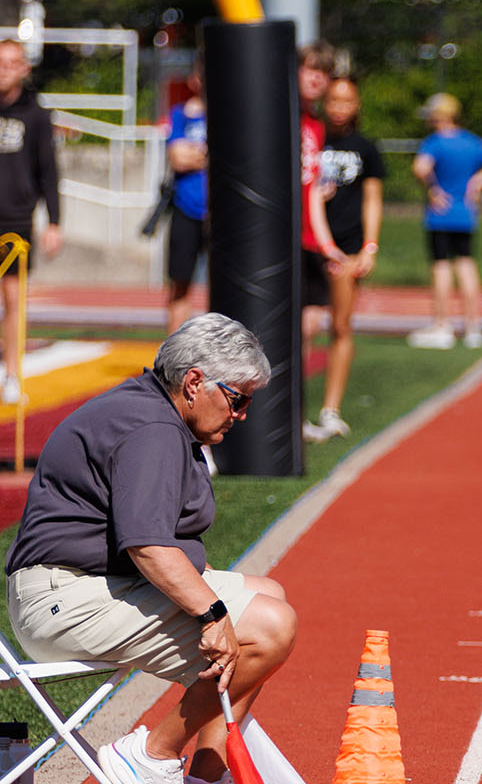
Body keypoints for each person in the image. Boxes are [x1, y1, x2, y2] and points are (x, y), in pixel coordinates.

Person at [3, 313, 297, 782]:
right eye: (237, 398)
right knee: (270, 626)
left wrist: (214, 602)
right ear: (195, 382)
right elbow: (148, 546)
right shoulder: (152, 427)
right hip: (63, 602)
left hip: (79, 589)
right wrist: (213, 615)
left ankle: (208, 771)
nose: (241, 414)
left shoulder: (151, 410)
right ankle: (148, 756)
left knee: (271, 595)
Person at [303, 77, 385, 443]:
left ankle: (330, 409)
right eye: (333, 99)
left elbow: (372, 199)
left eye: (346, 100)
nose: (338, 106)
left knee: (340, 325)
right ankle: (294, 408)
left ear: (356, 104)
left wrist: (369, 246)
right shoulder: (311, 138)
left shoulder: (366, 147)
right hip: (308, 244)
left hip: (347, 247)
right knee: (303, 327)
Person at [406, 92, 482, 350]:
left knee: (441, 266)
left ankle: (443, 325)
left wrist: (432, 187)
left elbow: (419, 167)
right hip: (465, 213)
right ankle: (473, 328)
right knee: (466, 263)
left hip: (440, 214)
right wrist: (477, 183)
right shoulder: (471, 142)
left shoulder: (434, 142)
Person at [0, 40, 62, 405]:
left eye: (11, 63)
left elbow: (49, 171)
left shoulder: (37, 115)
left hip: (16, 220)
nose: (4, 69)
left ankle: (11, 373)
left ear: (25, 68)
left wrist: (54, 222)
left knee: (13, 300)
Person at [296, 41, 338, 369]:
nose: (317, 79)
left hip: (310, 236)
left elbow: (311, 183)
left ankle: (295, 411)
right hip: (283, 236)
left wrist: (325, 243)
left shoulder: (317, 124)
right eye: (311, 69)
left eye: (323, 73)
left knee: (310, 324)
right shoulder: (280, 117)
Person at [164, 64, 207, 335]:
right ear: (194, 79)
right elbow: (177, 158)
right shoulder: (180, 114)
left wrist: (195, 154)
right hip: (186, 209)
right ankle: (173, 356)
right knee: (179, 286)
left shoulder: (233, 114)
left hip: (221, 215)